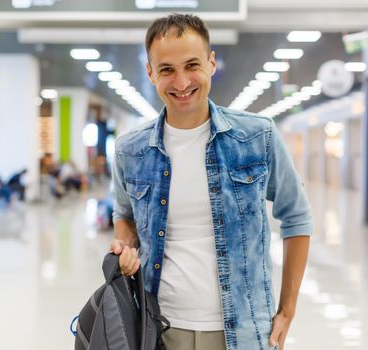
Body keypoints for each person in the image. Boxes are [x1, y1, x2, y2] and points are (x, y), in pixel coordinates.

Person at [109, 14, 313, 350]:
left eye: (192, 65)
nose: (182, 81)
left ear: (212, 62)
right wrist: (124, 246)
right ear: (150, 73)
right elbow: (124, 214)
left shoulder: (256, 136)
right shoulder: (130, 150)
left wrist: (287, 309)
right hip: (159, 327)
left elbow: (297, 217)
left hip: (244, 331)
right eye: (166, 70)